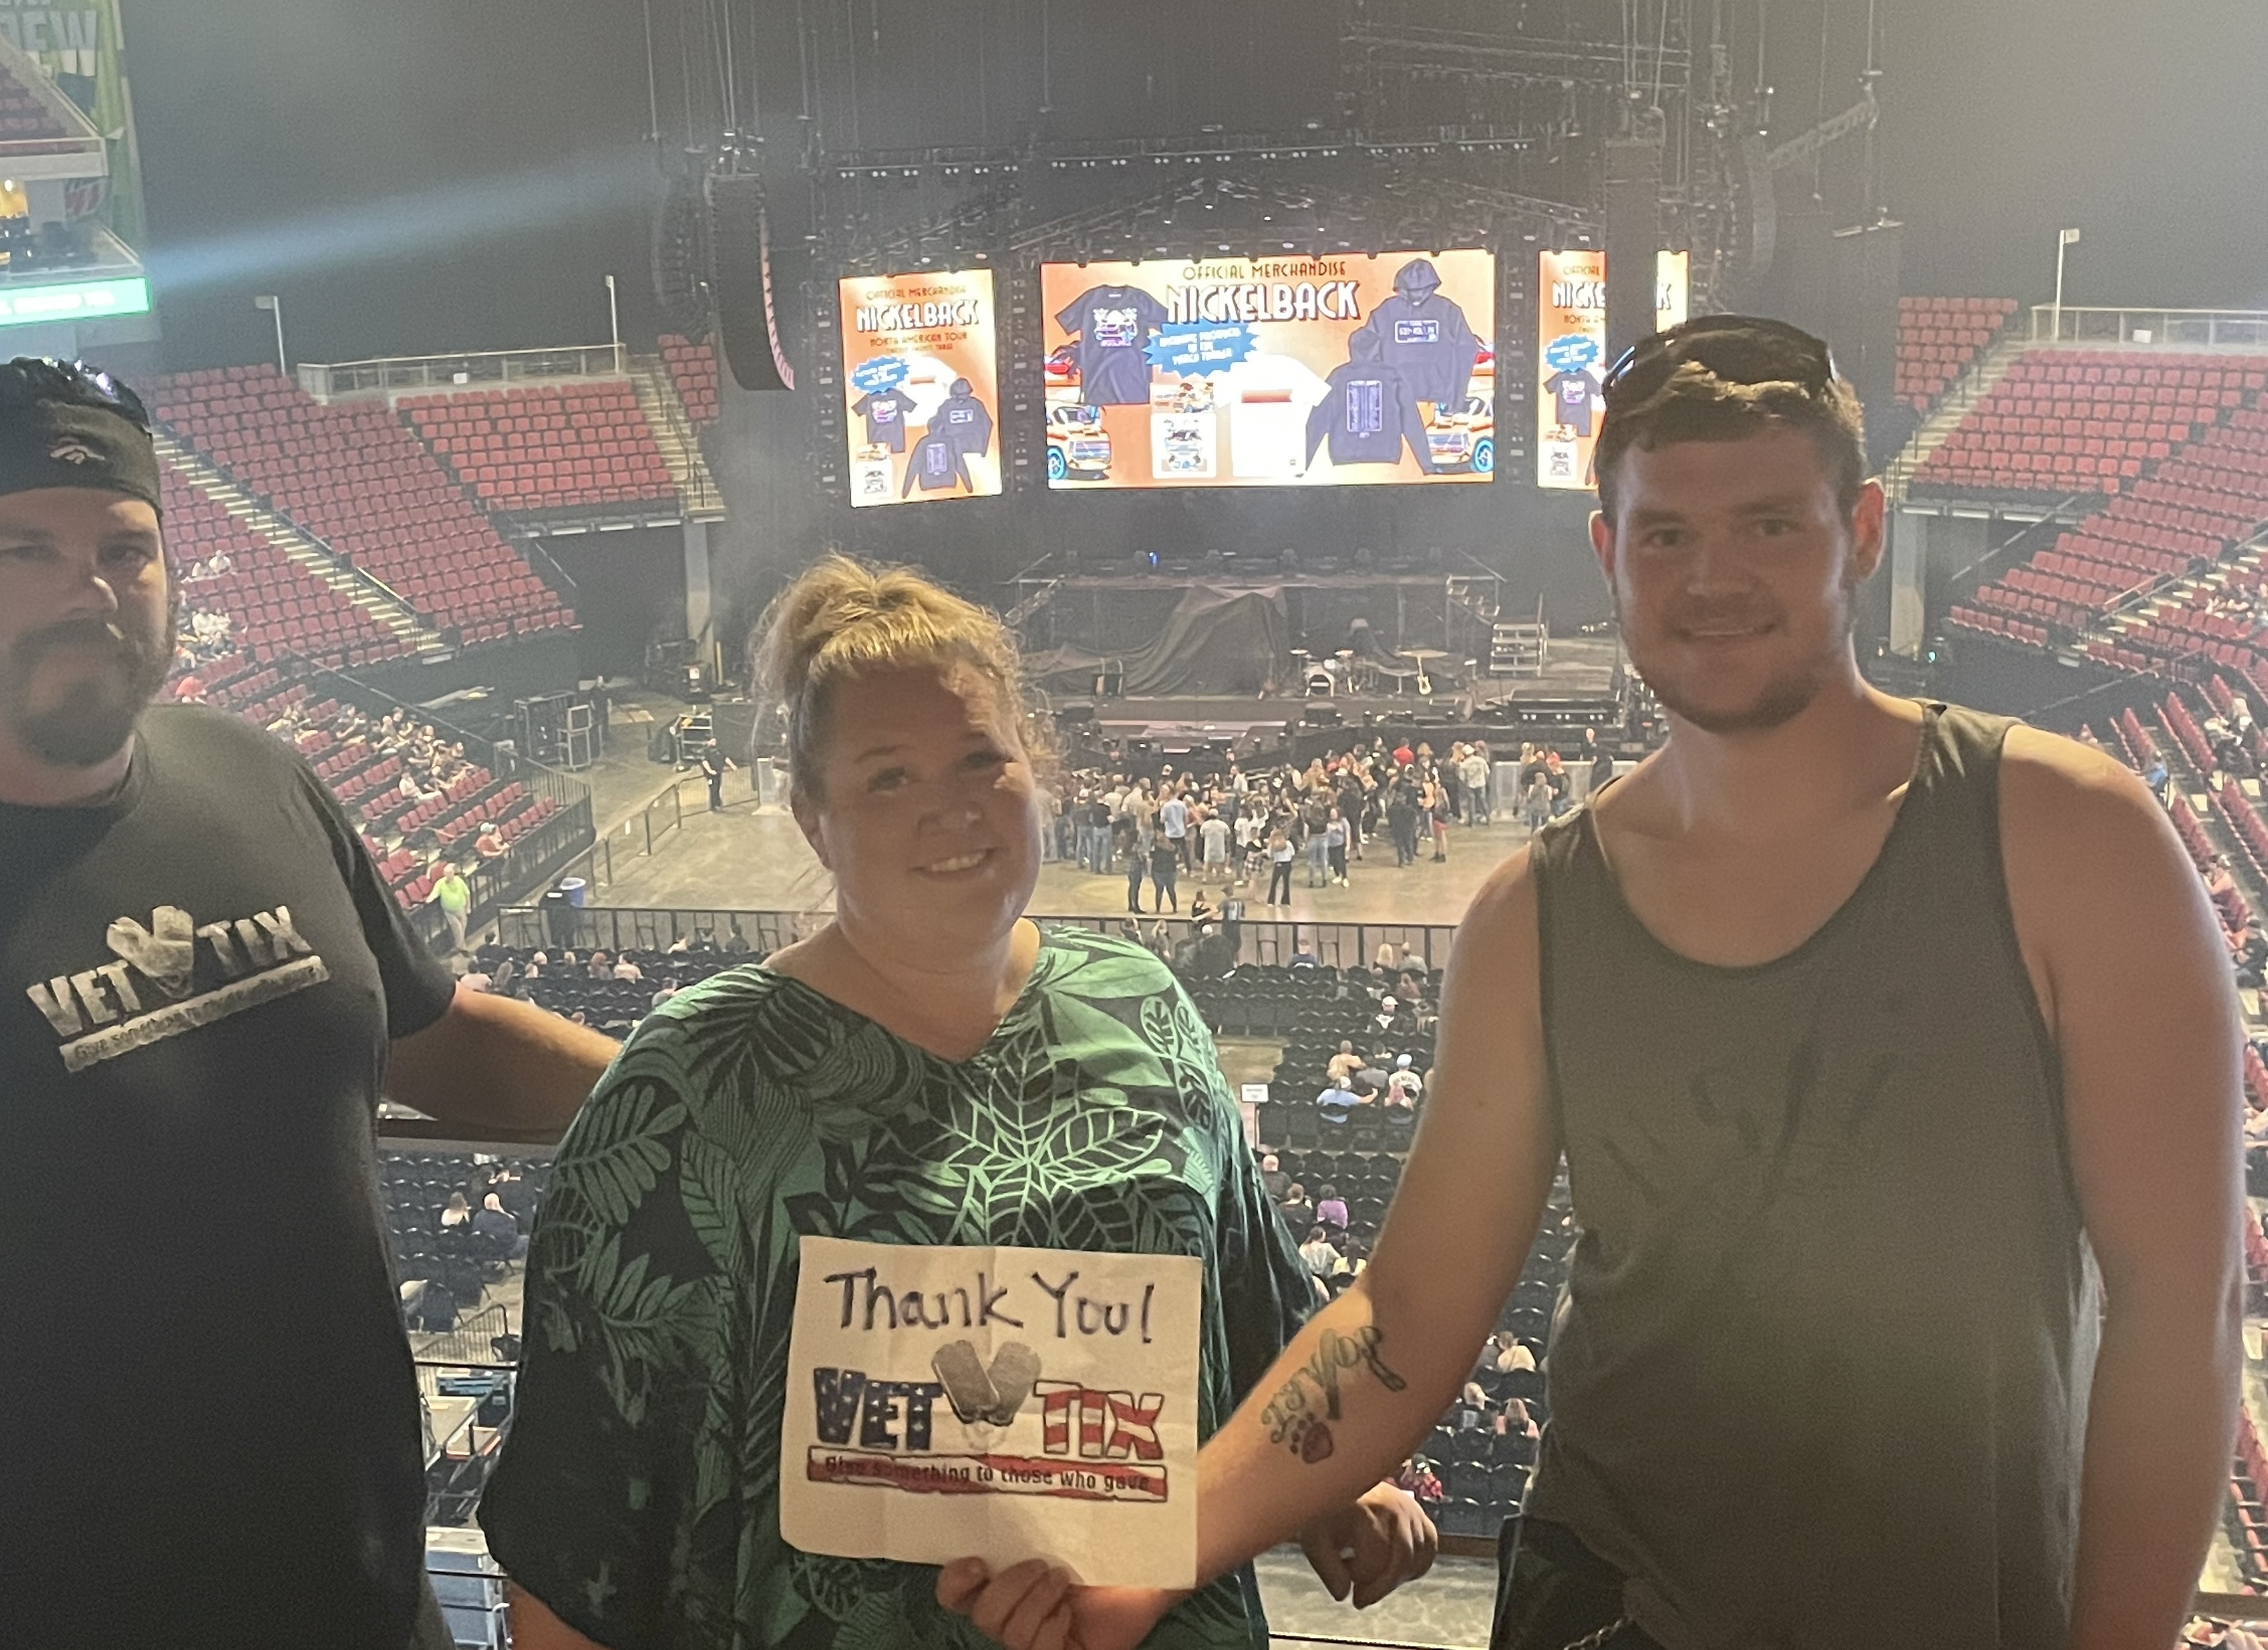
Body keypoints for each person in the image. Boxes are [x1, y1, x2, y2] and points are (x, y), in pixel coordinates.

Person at [947, 315, 2241, 1650]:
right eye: (1667, 534)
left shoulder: (2070, 840)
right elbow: (1403, 1317)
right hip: (1608, 1611)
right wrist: (1149, 1547)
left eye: (1768, 525)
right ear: (1608, 553)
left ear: (1861, 531)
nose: (1713, 576)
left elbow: (2177, 1312)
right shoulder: (1534, 915)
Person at [0, 359, 621, 1650]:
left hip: (364, 1603)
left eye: (124, 550)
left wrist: (717, 1097)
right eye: (24, 550)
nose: (86, 589)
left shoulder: (256, 777)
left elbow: (431, 1034)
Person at [480, 554, 1428, 1649]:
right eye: (888, 778)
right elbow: (578, 1505)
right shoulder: (690, 1079)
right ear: (811, 819)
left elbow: (1253, 1309)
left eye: (982, 758)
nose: (951, 809)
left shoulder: (1144, 1008)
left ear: (1038, 767)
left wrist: (1327, 1484)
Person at [699, 740, 732, 810]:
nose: (714, 743)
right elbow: (705, 762)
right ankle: (714, 805)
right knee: (713, 788)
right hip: (710, 775)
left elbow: (725, 758)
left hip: (718, 772)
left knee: (717, 788)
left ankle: (718, 803)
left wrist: (732, 765)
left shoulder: (718, 750)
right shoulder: (705, 751)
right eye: (712, 741)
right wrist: (710, 771)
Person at [1266, 827, 1295, 906]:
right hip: (1288, 863)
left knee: (1274, 883)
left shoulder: (1272, 845)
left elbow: (1269, 855)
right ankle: (1286, 902)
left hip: (1278, 863)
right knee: (1286, 883)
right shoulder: (1288, 843)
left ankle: (1271, 901)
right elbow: (1293, 854)